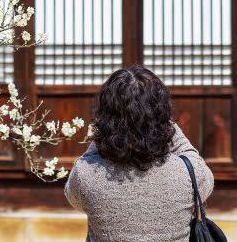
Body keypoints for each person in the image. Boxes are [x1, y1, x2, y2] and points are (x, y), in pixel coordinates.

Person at [64, 65, 214, 242]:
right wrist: (164, 124)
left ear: (105, 115)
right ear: (163, 112)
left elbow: (74, 198)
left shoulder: (86, 173)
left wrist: (103, 132)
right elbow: (198, 170)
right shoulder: (189, 173)